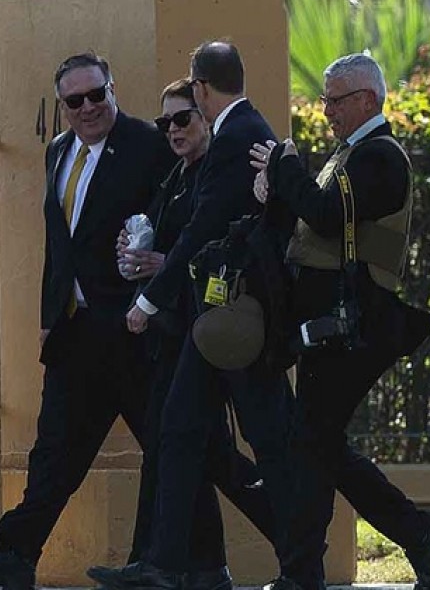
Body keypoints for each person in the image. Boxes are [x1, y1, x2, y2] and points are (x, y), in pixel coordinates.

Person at [0, 52, 177, 590]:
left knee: (178, 446)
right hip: (76, 331)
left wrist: (153, 295)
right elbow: (61, 245)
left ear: (112, 89)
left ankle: (261, 548)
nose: (89, 107)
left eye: (98, 94)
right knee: (55, 450)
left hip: (132, 328)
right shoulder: (58, 152)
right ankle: (16, 556)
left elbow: (175, 224)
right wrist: (51, 314)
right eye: (76, 100)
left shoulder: (147, 146)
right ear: (64, 107)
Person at [250, 52, 430, 590]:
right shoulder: (350, 153)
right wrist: (275, 189)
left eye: (334, 100)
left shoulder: (380, 158)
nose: (326, 109)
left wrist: (284, 166)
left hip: (356, 323)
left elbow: (327, 213)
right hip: (329, 322)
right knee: (316, 439)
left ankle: (308, 570)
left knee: (312, 438)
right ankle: (412, 533)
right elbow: (315, 222)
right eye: (325, 100)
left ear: (367, 100)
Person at [117, 41, 295, 590]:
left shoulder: (238, 137)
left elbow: (202, 231)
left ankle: (302, 562)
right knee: (180, 430)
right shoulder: (241, 134)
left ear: (200, 88)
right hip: (212, 316)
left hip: (234, 317)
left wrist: (149, 299)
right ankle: (165, 564)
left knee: (271, 442)